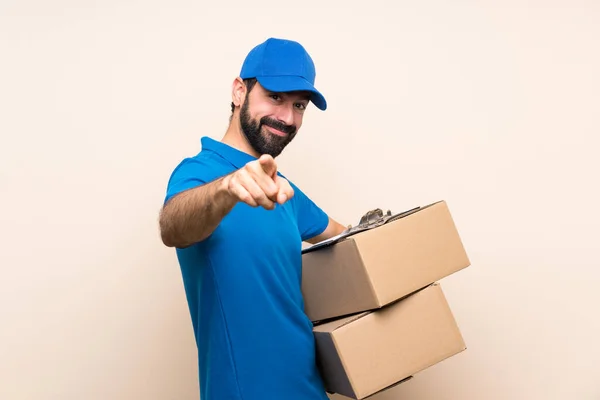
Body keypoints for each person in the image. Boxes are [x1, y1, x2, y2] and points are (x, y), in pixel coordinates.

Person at [158, 37, 347, 400]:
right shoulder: (199, 173)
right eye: (275, 97)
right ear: (239, 91)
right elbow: (173, 227)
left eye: (299, 106)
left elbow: (351, 242)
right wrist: (226, 188)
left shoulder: (283, 190)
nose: (288, 118)